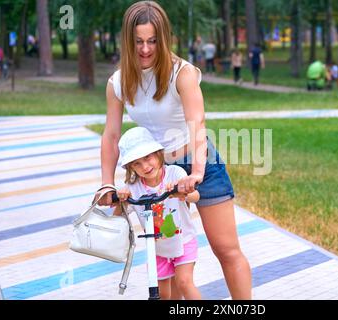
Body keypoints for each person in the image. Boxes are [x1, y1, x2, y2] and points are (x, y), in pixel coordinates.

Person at [99, 1, 252, 300]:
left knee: (226, 248)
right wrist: (106, 182)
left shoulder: (181, 73)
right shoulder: (117, 82)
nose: (145, 49)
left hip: (197, 161)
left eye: (153, 41)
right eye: (139, 42)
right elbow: (111, 135)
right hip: (153, 174)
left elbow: (197, 122)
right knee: (167, 261)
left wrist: (196, 172)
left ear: (163, 38)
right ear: (128, 42)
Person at [113, 127, 201, 300]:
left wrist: (180, 192)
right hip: (157, 250)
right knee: (161, 293)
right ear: (131, 168)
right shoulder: (134, 188)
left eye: (148, 157)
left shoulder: (175, 174)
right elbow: (117, 218)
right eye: (137, 163)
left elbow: (196, 196)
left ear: (158, 153)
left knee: (184, 282)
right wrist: (121, 200)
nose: (145, 166)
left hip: (184, 241)